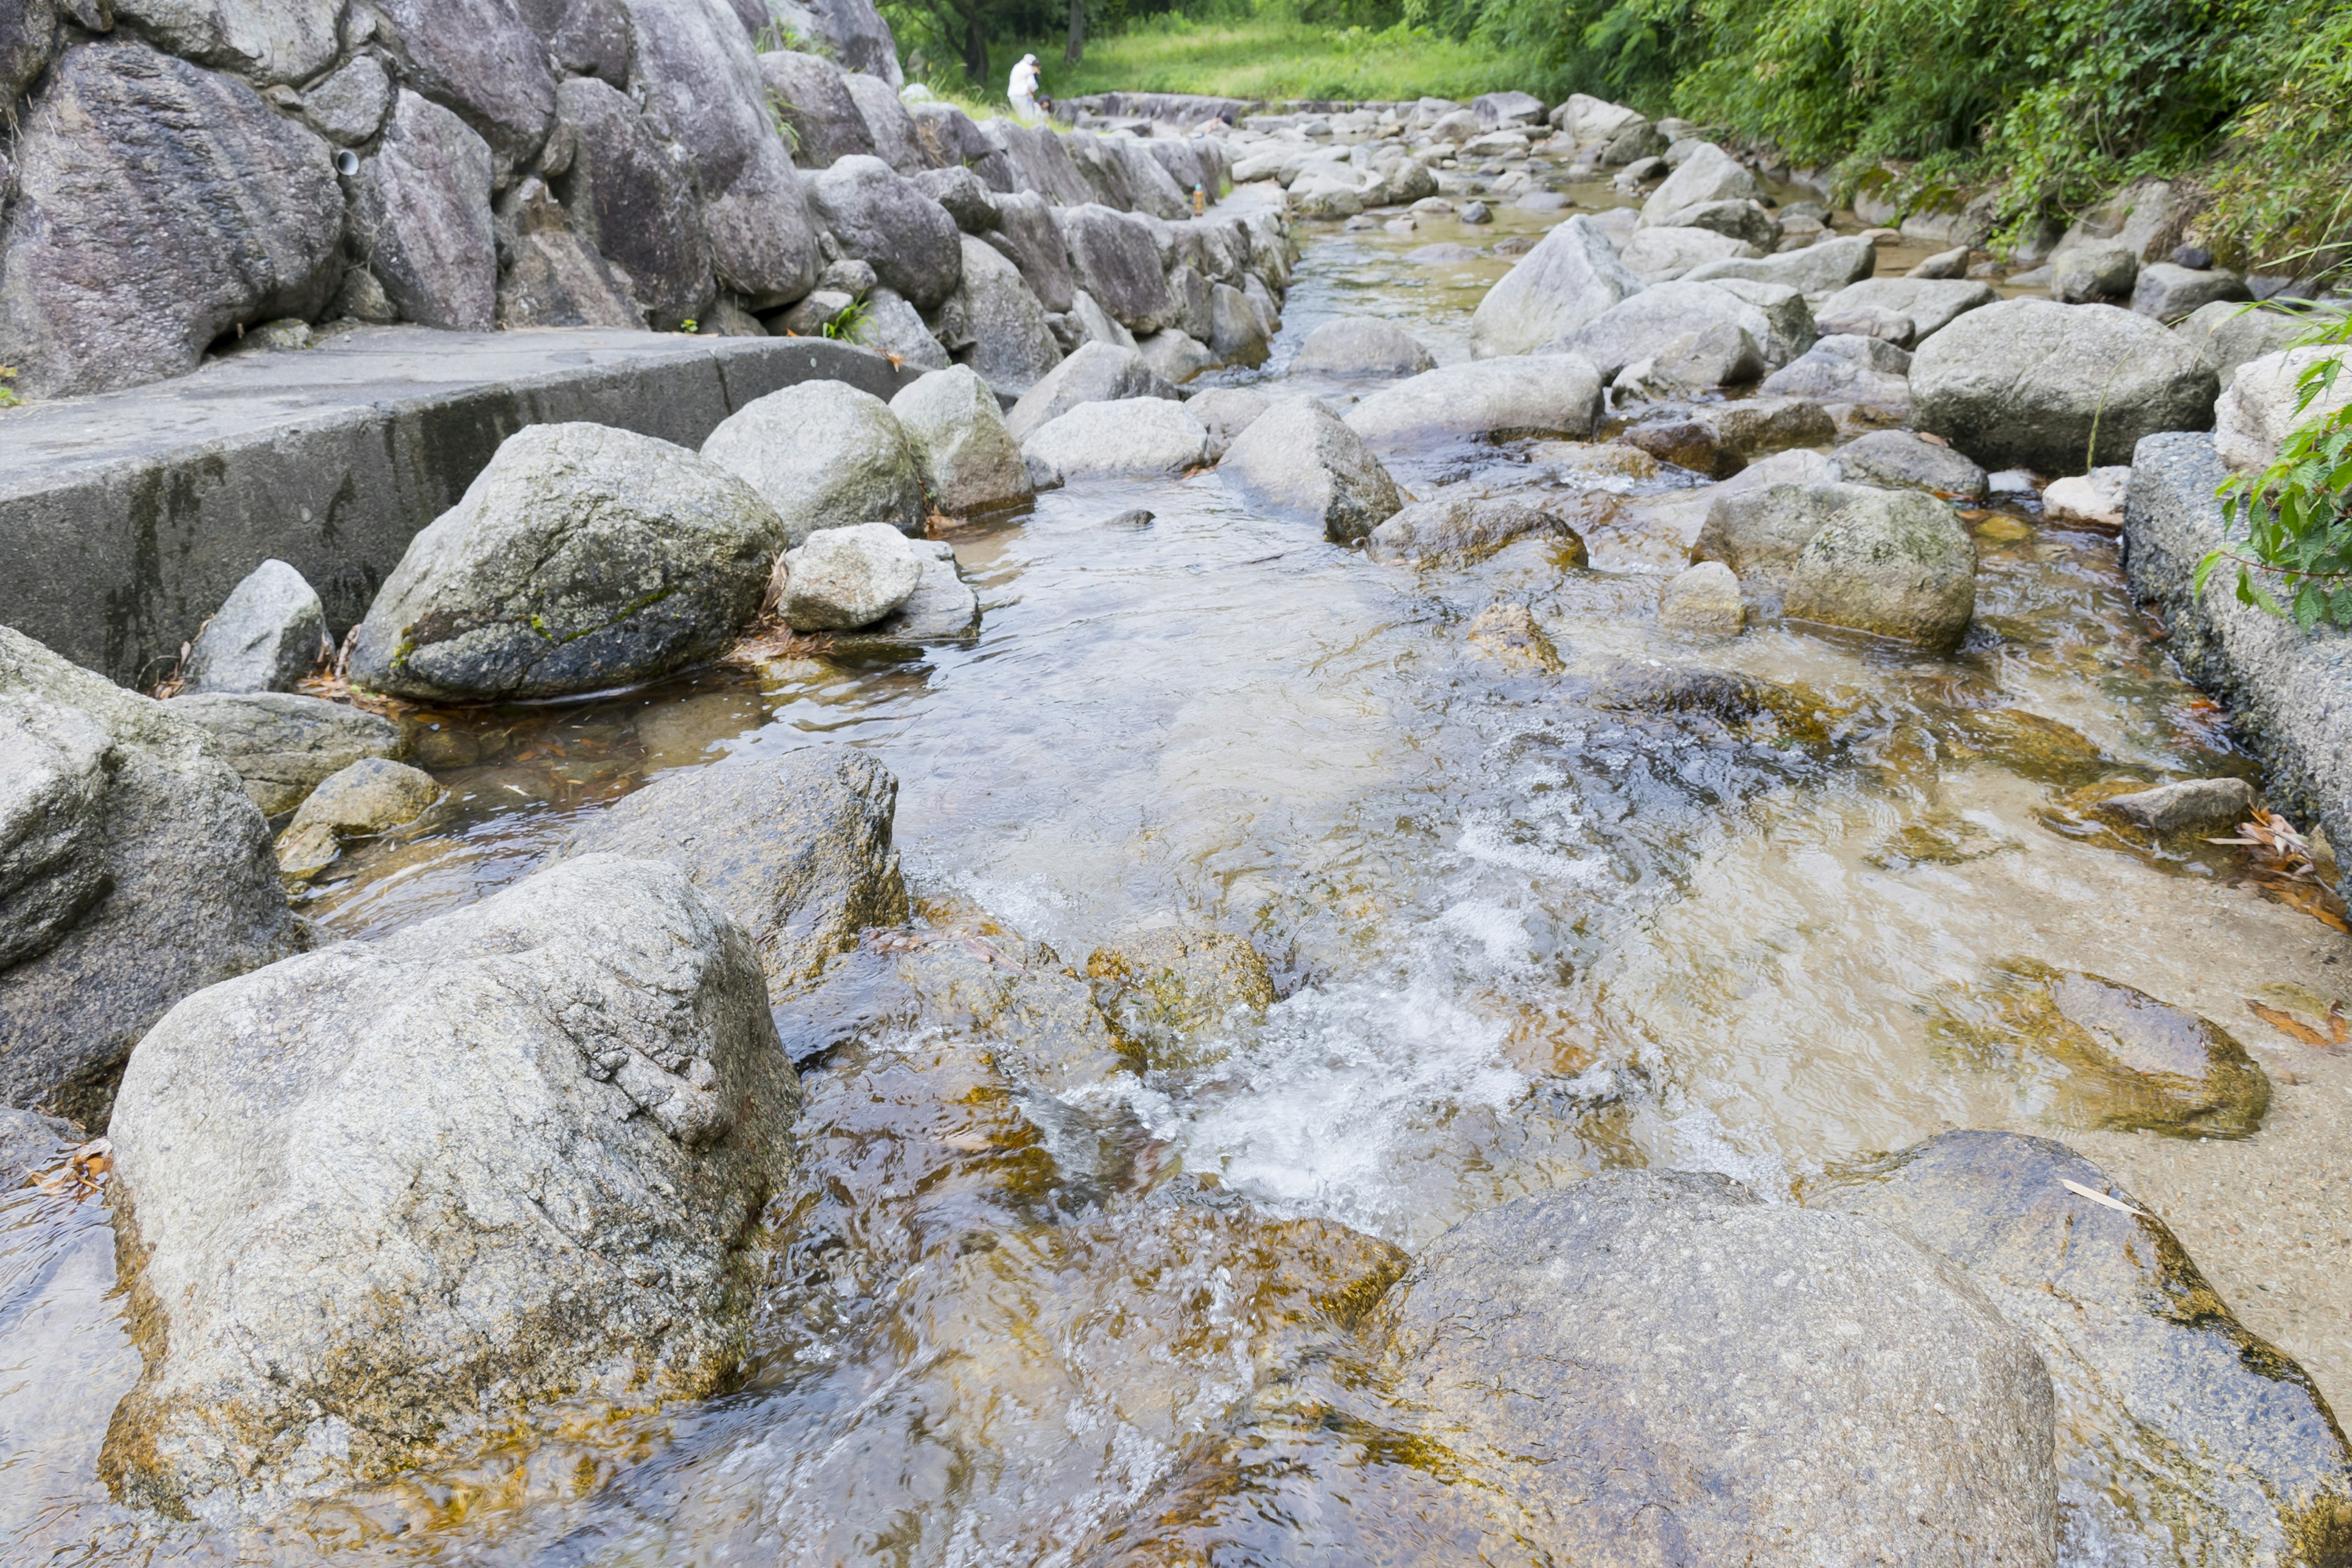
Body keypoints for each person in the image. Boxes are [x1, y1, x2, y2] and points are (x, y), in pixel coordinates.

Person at [1008, 53, 1041, 121]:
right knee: (1028, 119)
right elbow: (1031, 84)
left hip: (1012, 95)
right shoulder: (1029, 69)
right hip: (1023, 95)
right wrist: (1033, 91)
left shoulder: (1017, 66)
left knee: (1021, 118)